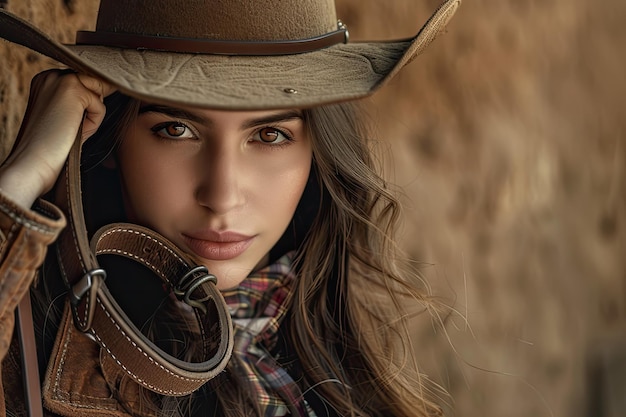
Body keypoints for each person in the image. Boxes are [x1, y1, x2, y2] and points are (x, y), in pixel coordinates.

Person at [0, 0, 460, 416]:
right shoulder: (31, 345)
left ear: (318, 152)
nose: (222, 197)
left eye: (269, 135)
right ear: (111, 137)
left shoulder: (340, 368)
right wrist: (24, 177)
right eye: (176, 130)